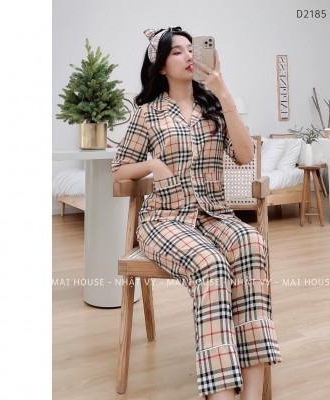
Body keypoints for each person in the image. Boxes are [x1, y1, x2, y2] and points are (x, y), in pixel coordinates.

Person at [112, 26, 281, 400]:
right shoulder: (148, 114)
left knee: (252, 243)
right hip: (164, 219)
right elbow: (119, 170)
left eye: (192, 49)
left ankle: (252, 393)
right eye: (177, 51)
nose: (189, 55)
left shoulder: (214, 107)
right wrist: (151, 165)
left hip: (214, 214)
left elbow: (245, 156)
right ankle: (221, 392)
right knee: (211, 265)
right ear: (161, 66)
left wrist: (223, 92)